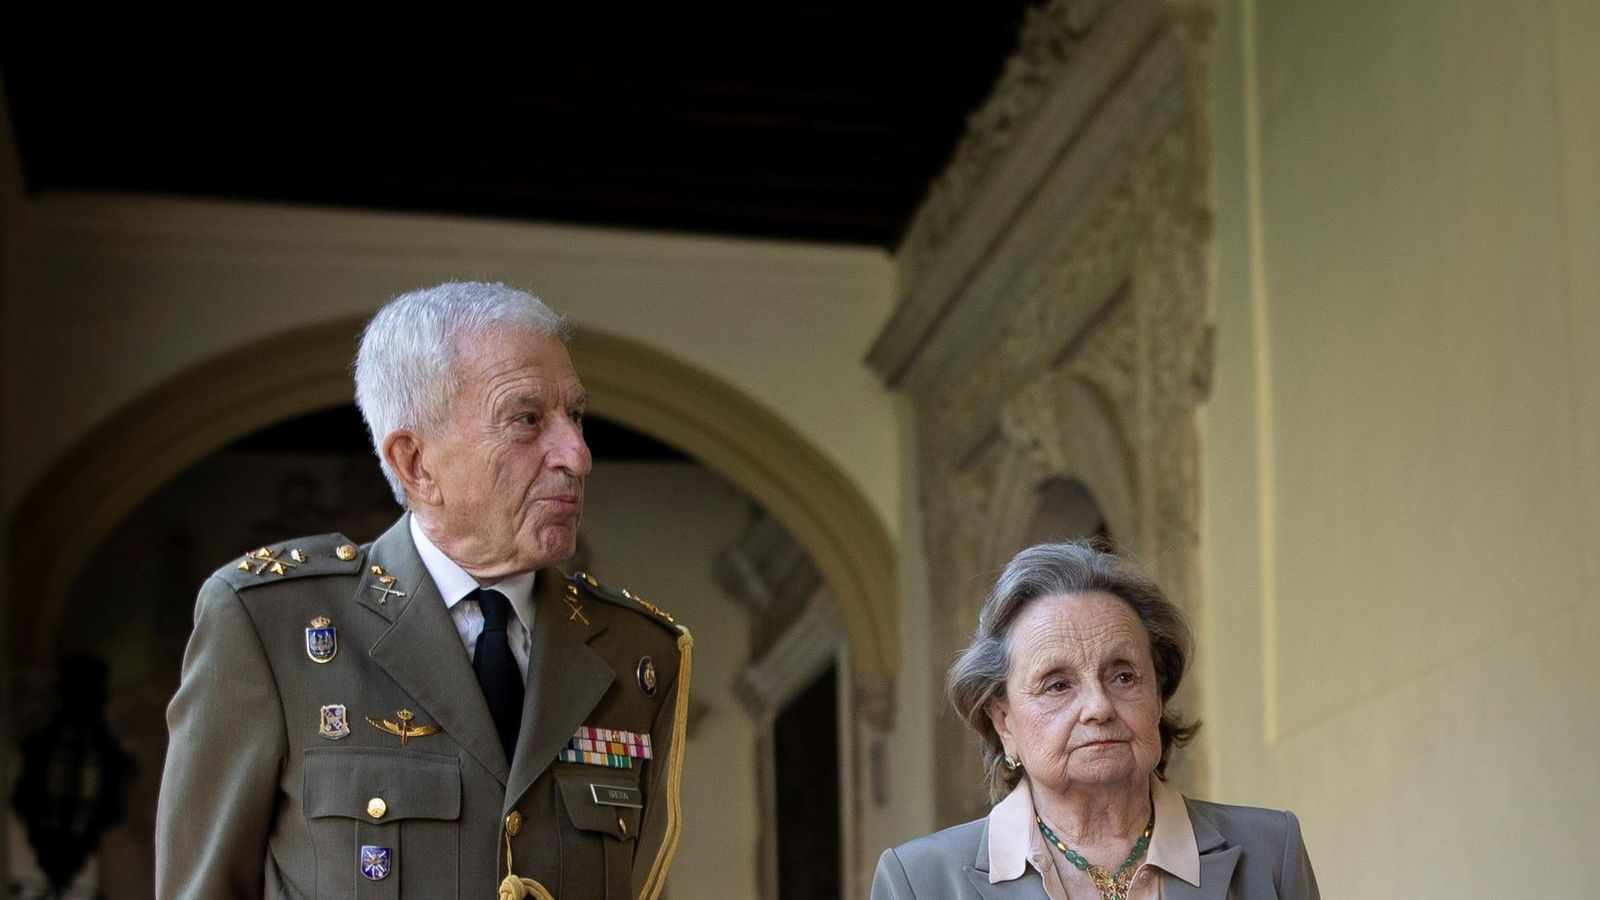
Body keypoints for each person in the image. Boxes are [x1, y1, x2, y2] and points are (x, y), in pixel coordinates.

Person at [156, 282, 691, 900]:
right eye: (526, 420)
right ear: (415, 463)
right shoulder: (271, 625)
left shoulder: (637, 652)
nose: (577, 454)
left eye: (574, 415)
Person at [873, 542, 1317, 900]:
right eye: (1057, 685)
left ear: (1158, 695)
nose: (1098, 706)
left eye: (1123, 675)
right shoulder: (919, 882)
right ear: (1004, 722)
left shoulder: (1270, 850)